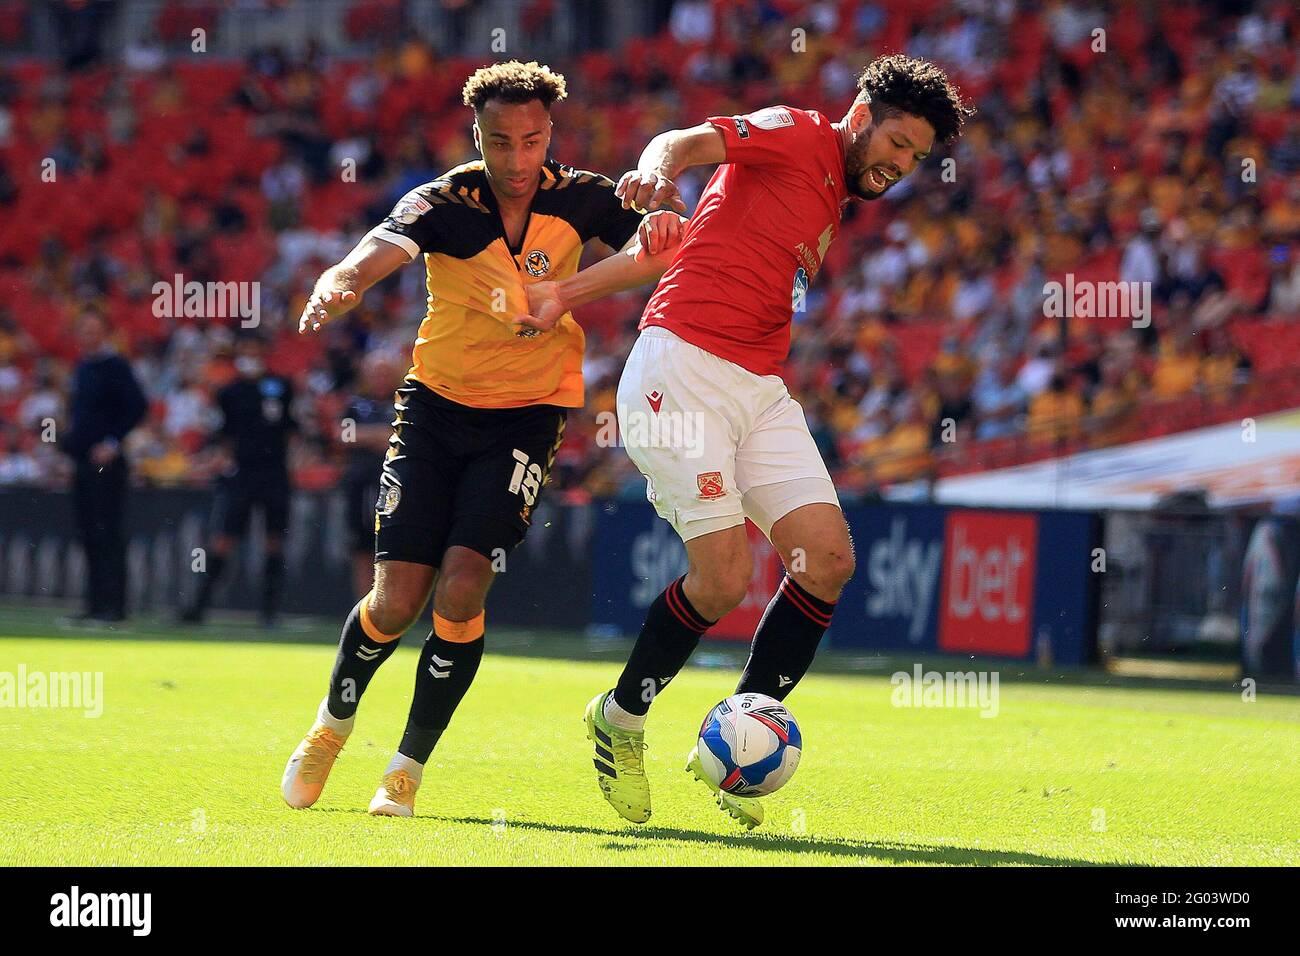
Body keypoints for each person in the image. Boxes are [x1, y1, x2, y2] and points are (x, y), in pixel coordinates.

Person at [521, 53, 972, 829]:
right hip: (681, 373)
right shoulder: (797, 133)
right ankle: (620, 717)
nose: (901, 165)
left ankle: (739, 735)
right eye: (897, 143)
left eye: (917, 157)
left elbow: (676, 251)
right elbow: (683, 141)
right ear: (860, 116)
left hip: (757, 388)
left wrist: (563, 292)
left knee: (826, 560)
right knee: (724, 578)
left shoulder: (827, 194)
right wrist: (655, 177)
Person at [280, 60, 684, 818]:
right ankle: (331, 726)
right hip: (434, 411)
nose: (516, 159)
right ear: (478, 137)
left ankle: (405, 770)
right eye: (500, 142)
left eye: (531, 141)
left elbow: (663, 249)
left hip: (528, 415)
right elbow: (382, 245)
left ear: (549, 135)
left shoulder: (585, 198)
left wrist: (663, 220)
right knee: (395, 601)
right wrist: (343, 278)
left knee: (463, 585)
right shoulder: (443, 200)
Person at [180, 334, 296, 627]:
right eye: (246, 350)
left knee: (273, 540)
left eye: (255, 349)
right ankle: (200, 604)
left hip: (274, 471)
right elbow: (222, 432)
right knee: (223, 538)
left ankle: (270, 611)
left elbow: (290, 428)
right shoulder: (230, 392)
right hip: (242, 472)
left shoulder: (281, 387)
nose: (251, 355)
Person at [63, 311, 148, 625]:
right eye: (84, 329)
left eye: (94, 329)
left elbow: (137, 405)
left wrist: (112, 442)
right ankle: (95, 603)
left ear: (105, 333)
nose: (88, 335)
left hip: (106, 464)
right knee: (88, 532)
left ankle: (115, 606)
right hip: (83, 461)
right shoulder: (83, 367)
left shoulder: (115, 366)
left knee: (108, 531)